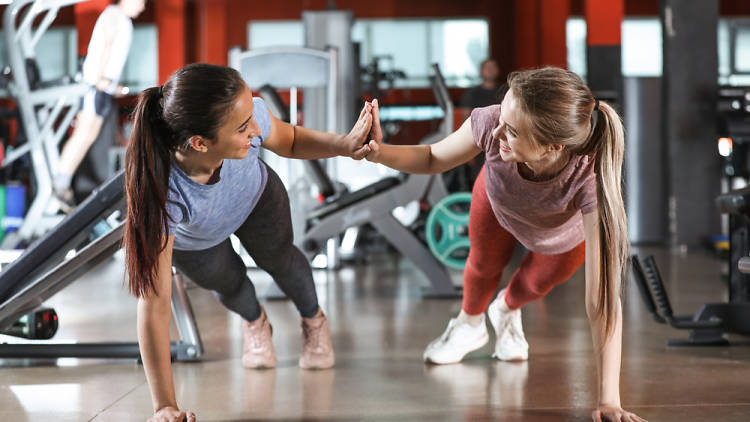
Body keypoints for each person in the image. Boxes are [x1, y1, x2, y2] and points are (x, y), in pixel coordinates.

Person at [362, 67, 648, 422]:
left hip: (561, 233)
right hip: (498, 201)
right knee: (482, 266)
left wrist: (609, 400)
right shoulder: (491, 122)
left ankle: (506, 309)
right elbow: (434, 157)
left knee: (534, 284)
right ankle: (469, 326)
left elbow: (601, 299)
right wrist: (378, 152)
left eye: (512, 131)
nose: (496, 132)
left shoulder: (590, 178)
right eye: (502, 116)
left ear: (553, 146)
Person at [124, 63, 374, 422]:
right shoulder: (161, 192)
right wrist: (164, 406)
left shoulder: (245, 112)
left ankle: (314, 320)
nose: (256, 130)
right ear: (199, 142)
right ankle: (256, 322)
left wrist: (343, 145)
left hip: (256, 198)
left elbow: (287, 139)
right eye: (243, 128)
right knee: (230, 285)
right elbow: (154, 305)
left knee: (284, 262)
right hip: (198, 240)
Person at [54, 0, 146, 208]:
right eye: (141, 1)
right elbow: (105, 45)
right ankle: (60, 184)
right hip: (94, 85)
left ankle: (63, 184)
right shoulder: (113, 16)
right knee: (84, 133)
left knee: (91, 135)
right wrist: (99, 78)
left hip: (104, 87)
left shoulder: (124, 21)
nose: (143, 7)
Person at [447, 58, 504, 192]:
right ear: (481, 71)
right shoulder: (472, 94)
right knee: (480, 182)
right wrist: (468, 151)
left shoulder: (505, 91)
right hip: (479, 145)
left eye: (493, 67)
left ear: (497, 70)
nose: (490, 70)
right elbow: (466, 121)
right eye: (487, 67)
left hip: (501, 143)